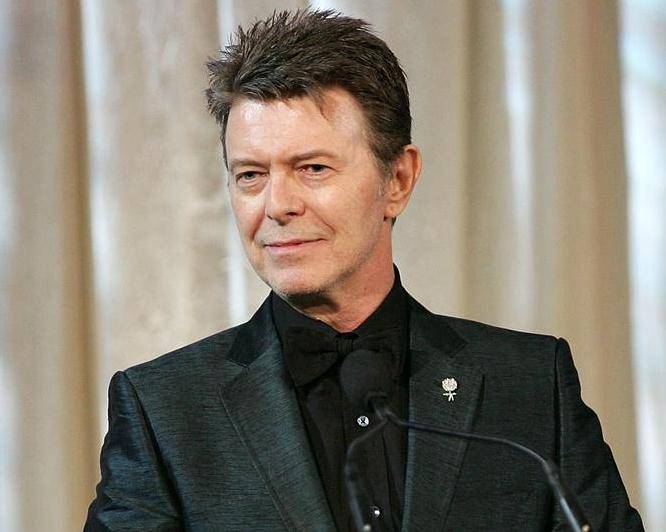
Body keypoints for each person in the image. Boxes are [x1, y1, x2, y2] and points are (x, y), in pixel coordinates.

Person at [85, 9, 643, 532]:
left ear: (398, 180)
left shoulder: (530, 385)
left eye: (312, 168)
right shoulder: (164, 409)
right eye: (250, 175)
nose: (277, 205)